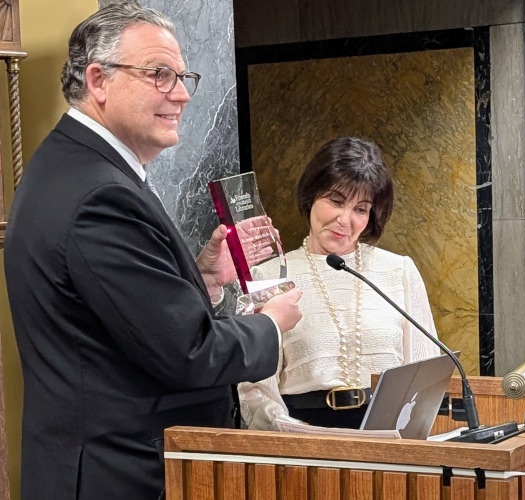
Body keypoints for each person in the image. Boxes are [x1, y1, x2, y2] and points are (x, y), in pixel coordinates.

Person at [4, 2, 302, 499]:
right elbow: (189, 353)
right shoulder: (100, 193)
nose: (181, 94)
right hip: (118, 476)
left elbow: (120, 322)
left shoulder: (77, 167)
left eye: (183, 76)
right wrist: (270, 323)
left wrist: (203, 280)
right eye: (160, 75)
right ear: (98, 80)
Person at [239, 136, 441, 430]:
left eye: (361, 208)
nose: (345, 219)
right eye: (335, 200)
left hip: (386, 439)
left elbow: (425, 375)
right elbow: (255, 390)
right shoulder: (269, 276)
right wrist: (294, 439)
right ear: (310, 196)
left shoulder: (399, 271)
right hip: (301, 439)